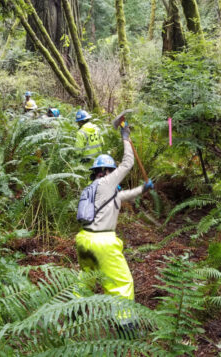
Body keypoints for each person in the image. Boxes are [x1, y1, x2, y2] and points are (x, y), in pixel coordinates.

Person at [75, 123, 154, 325]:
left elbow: (123, 196)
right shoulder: (107, 182)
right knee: (122, 282)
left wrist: (143, 189)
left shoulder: (91, 189)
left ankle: (73, 311)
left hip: (84, 239)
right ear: (106, 171)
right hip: (103, 242)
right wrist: (125, 136)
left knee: (86, 278)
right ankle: (125, 323)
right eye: (111, 170)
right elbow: (128, 163)